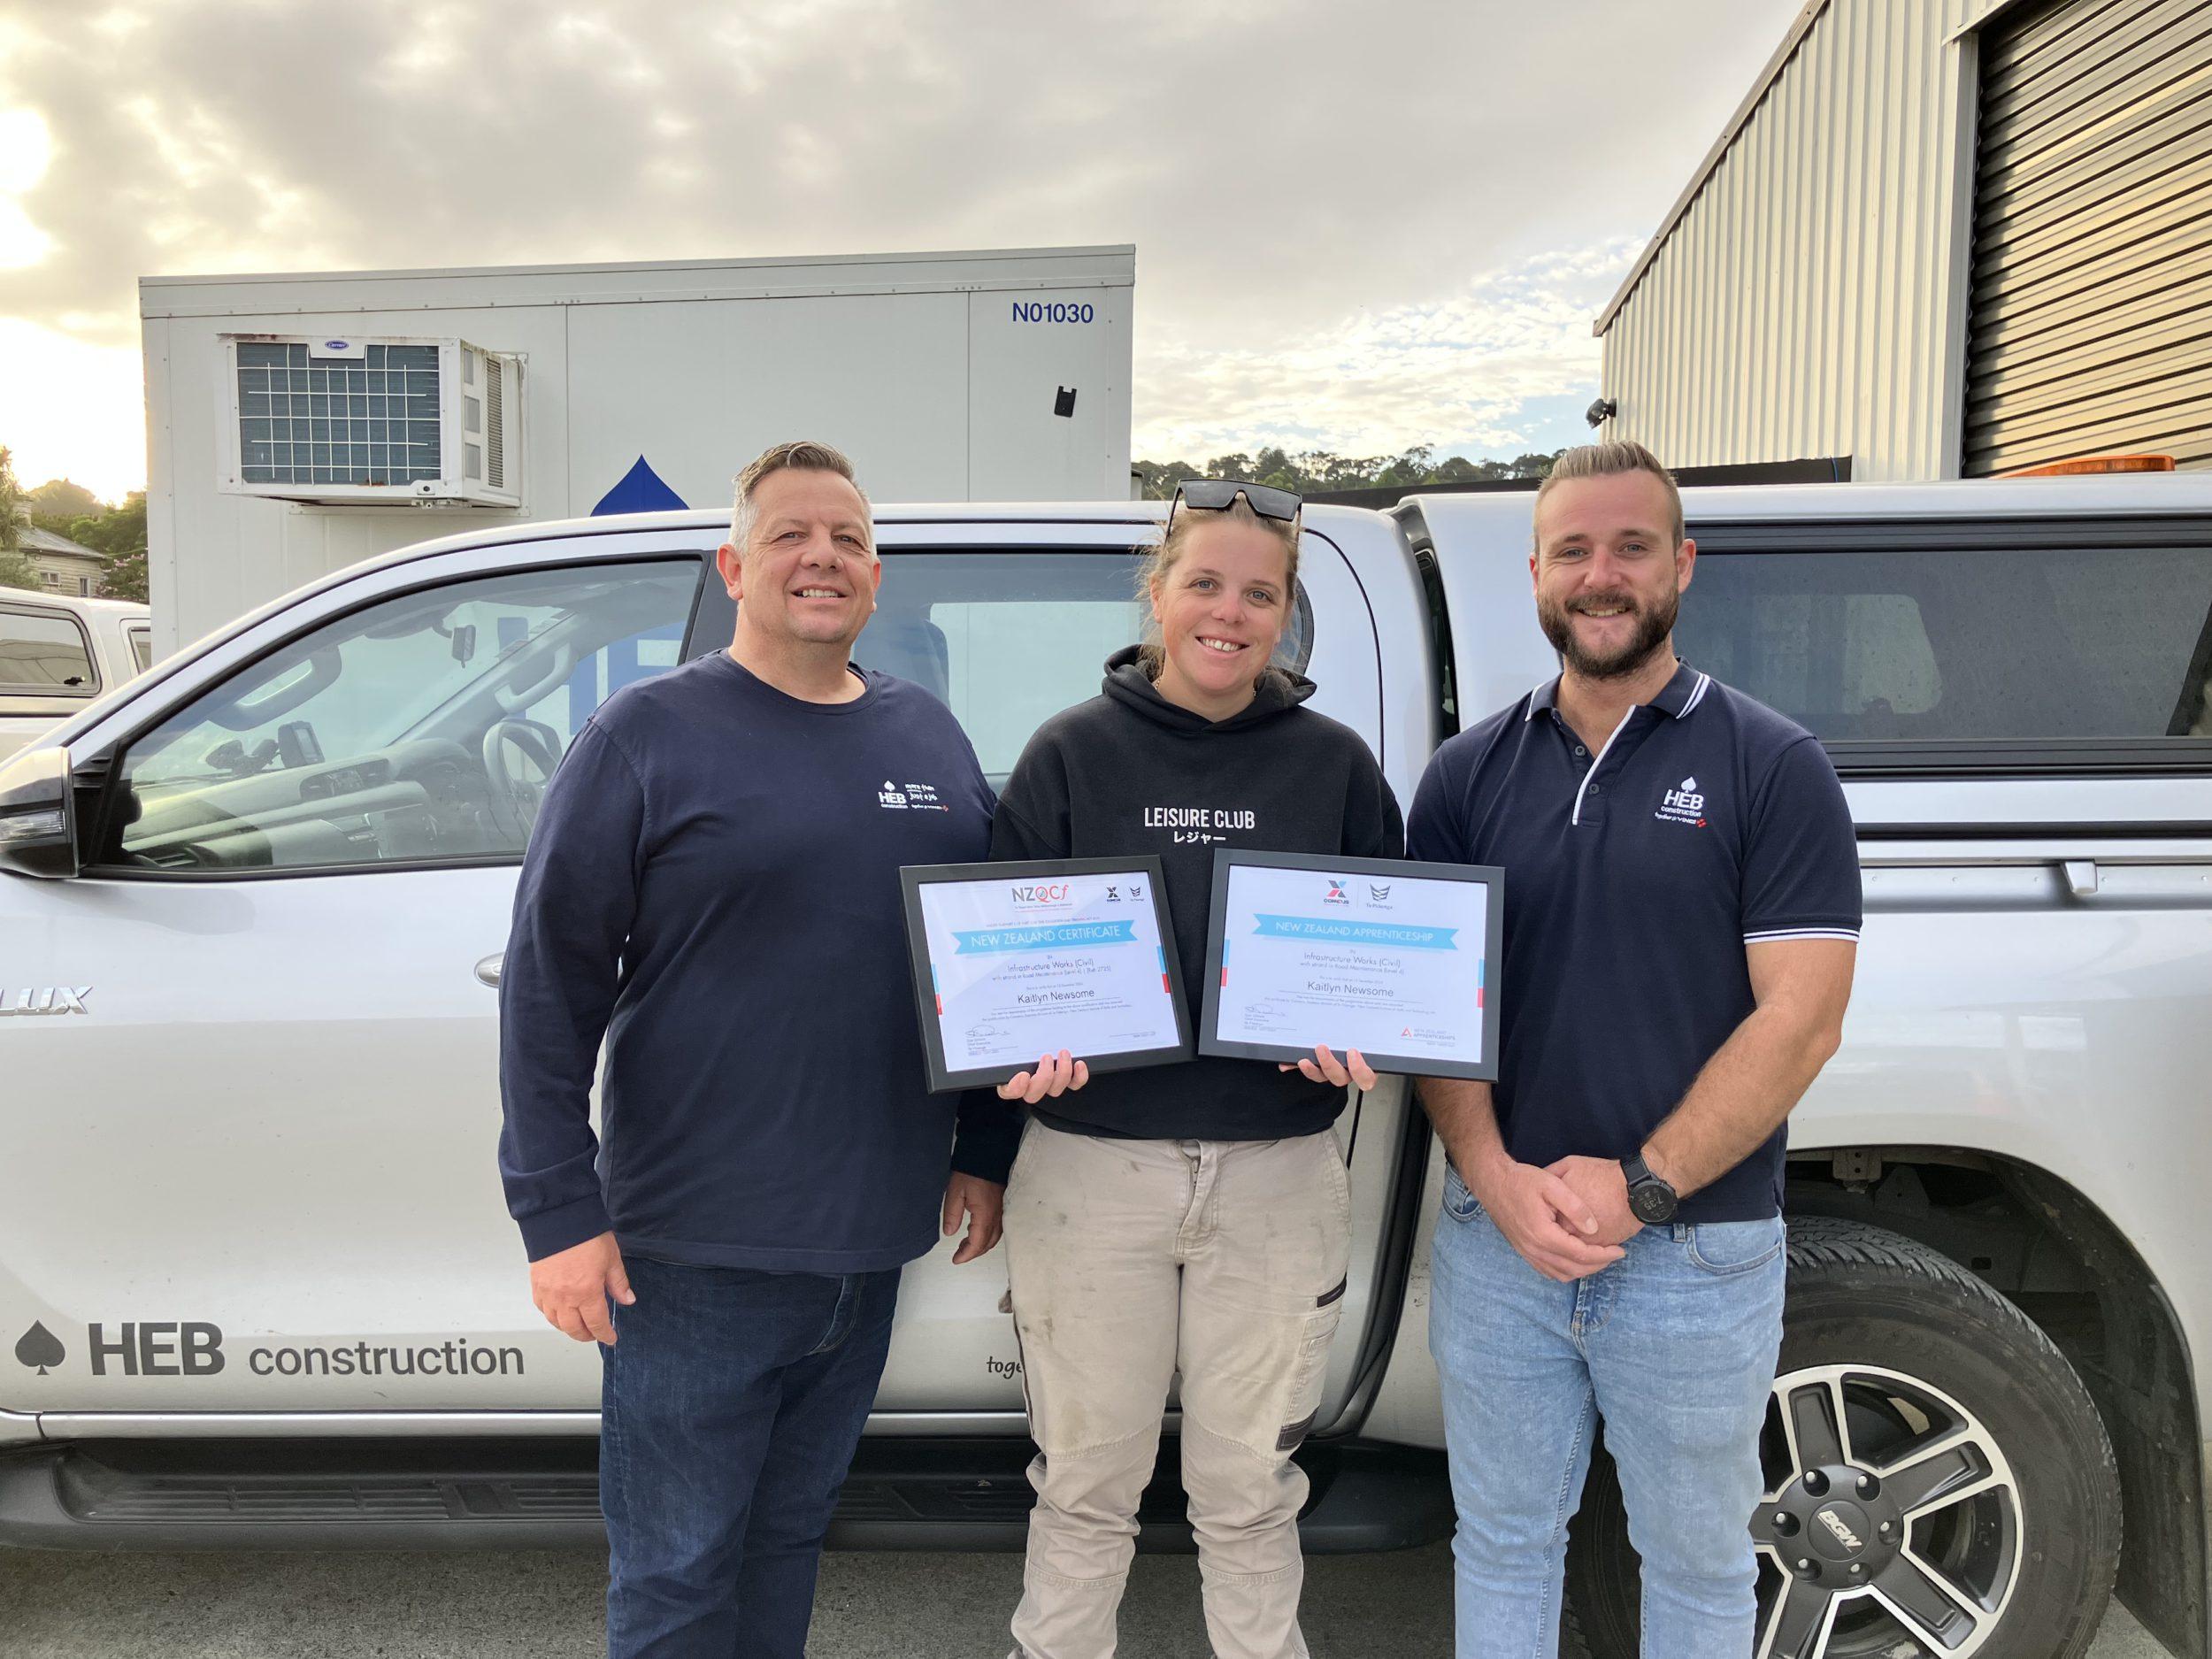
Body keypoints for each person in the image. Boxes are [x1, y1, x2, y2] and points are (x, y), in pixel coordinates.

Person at [496, 440, 1016, 1659]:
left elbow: (988, 959)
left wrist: (986, 1144)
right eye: (789, 535)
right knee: (677, 1576)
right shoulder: (646, 733)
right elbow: (549, 985)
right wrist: (556, 1213)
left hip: (870, 1240)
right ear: (733, 568)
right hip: (694, 1254)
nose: (821, 557)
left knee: (785, 1542)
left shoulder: (926, 735)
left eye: (847, 539)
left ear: (875, 578)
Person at [1408, 440, 1861, 1656]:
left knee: (1699, 1566)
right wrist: (1495, 1179)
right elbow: (1435, 1011)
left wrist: (1643, 1189)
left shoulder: (1774, 765)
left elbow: (1803, 1018)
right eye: (1573, 550)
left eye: (1631, 548)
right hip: (1500, 1241)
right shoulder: (1465, 775)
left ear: (1683, 564)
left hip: (1696, 1249)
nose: (1600, 575)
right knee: (1501, 1542)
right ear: (1536, 574)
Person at [988, 480, 1403, 1659]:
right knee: (1084, 1485)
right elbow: (1003, 954)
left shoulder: (1335, 764)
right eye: (1206, 583)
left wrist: (1363, 1030)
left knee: (1250, 1492)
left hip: (1277, 1177)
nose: (1230, 611)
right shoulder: (1069, 751)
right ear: (1160, 596)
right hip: (1091, 1175)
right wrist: (1019, 1052)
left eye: (1260, 594)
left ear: (1286, 615)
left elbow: (1390, 949)